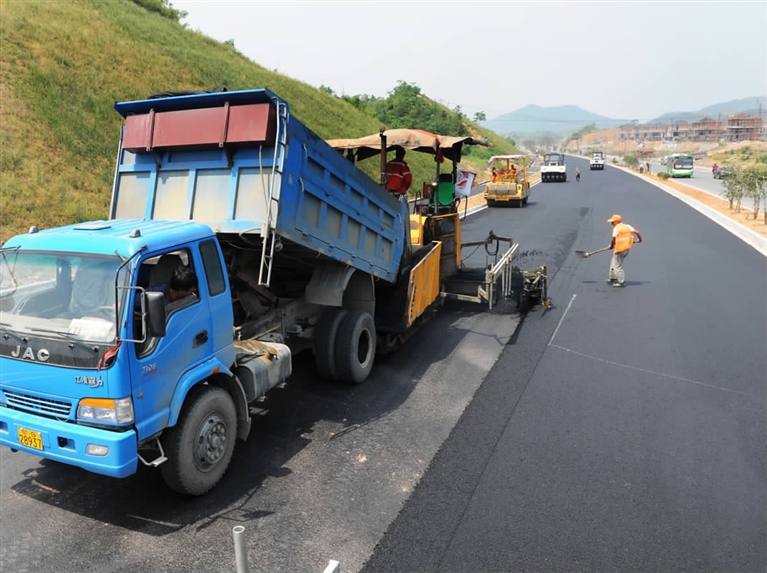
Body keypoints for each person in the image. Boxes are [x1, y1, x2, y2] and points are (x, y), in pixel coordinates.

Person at [606, 214, 643, 287]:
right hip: (626, 249)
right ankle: (612, 277)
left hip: (619, 249)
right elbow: (637, 232)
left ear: (616, 222)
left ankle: (621, 282)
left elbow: (613, 239)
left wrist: (611, 246)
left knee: (618, 265)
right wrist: (640, 240)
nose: (611, 223)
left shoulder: (616, 228)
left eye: (613, 222)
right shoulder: (627, 226)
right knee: (613, 261)